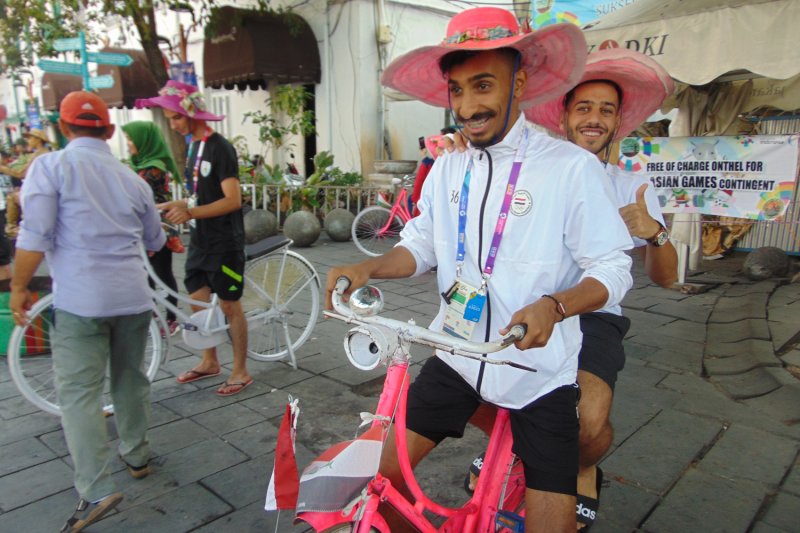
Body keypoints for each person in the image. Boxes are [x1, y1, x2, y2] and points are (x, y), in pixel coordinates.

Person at [325, 8, 634, 532]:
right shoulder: (447, 167)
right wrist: (369, 267)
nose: (468, 105)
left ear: (520, 82)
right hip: (458, 356)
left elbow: (613, 267)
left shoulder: (570, 168)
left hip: (541, 375)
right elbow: (420, 247)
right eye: (458, 89)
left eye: (483, 85)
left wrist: (555, 307)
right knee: (376, 484)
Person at [458, 49, 679, 529]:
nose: (594, 118)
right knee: (460, 385)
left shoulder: (633, 187)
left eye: (605, 109)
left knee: (589, 424)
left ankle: (579, 466)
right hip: (522, 305)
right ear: (563, 116)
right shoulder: (531, 170)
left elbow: (666, 278)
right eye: (583, 107)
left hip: (593, 316)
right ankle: (519, 448)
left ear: (619, 120)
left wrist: (653, 232)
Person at [9, 91, 166, 532]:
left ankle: (96, 490)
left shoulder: (50, 167)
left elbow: (34, 235)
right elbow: (154, 239)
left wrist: (19, 286)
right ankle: (136, 455)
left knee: (80, 394)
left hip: (80, 301)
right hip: (133, 298)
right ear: (110, 131)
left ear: (63, 128)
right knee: (130, 378)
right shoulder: (132, 180)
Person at [136, 81, 252, 397]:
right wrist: (180, 206)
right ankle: (209, 360)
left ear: (189, 113)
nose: (171, 125)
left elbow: (232, 200)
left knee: (230, 306)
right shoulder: (192, 147)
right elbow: (198, 196)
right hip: (201, 242)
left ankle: (240, 369)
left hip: (225, 242)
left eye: (174, 117)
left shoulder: (220, 147)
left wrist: (190, 214)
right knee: (198, 301)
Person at [121, 120, 186, 336]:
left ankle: (171, 318)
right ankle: (150, 317)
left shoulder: (153, 168)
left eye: (131, 139)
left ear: (144, 140)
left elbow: (137, 198)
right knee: (146, 275)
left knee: (162, 274)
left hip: (158, 228)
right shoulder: (140, 165)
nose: (129, 144)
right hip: (144, 227)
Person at [0, 128, 52, 238]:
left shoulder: (39, 154)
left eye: (30, 138)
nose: (28, 141)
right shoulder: (43, 153)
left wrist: (3, 169)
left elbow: (21, 174)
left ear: (38, 140)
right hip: (41, 188)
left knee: (11, 197)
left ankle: (12, 227)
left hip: (39, 191)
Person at [411, 126, 457, 216]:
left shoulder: (429, 163)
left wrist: (414, 200)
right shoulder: (459, 158)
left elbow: (419, 183)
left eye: (441, 139)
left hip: (429, 203)